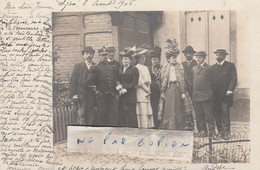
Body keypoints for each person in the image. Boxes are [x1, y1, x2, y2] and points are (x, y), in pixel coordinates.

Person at [158, 39, 193, 130]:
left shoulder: (180, 66)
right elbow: (161, 80)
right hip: (169, 90)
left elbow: (183, 80)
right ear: (168, 58)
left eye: (175, 57)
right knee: (168, 109)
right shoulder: (164, 67)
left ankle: (179, 127)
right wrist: (162, 91)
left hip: (178, 89)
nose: (174, 59)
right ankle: (168, 127)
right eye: (173, 58)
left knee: (178, 108)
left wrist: (183, 92)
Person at [86, 46, 122, 127]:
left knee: (113, 114)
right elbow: (89, 82)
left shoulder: (110, 67)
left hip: (111, 95)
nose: (104, 57)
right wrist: (97, 91)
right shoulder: (95, 67)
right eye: (102, 55)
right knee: (101, 114)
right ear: (99, 56)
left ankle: (112, 131)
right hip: (101, 96)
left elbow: (115, 79)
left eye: (105, 55)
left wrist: (118, 84)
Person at [209, 49, 237, 139]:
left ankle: (226, 132)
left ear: (224, 56)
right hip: (215, 96)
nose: (218, 56)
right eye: (217, 55)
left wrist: (230, 90)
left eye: (220, 55)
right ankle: (220, 132)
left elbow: (233, 79)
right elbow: (209, 81)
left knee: (225, 114)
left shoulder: (230, 66)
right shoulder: (212, 68)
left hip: (225, 95)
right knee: (216, 114)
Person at [69, 46, 96, 125]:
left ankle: (90, 133)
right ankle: (83, 134)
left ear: (93, 55)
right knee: (81, 115)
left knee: (91, 114)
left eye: (90, 54)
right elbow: (73, 81)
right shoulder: (79, 66)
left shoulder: (95, 66)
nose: (89, 56)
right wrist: (74, 94)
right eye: (87, 53)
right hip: (81, 95)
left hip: (92, 95)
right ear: (83, 55)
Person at [192, 51, 216, 137]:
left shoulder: (209, 68)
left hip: (206, 96)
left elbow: (213, 82)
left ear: (204, 58)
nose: (198, 59)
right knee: (199, 115)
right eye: (197, 57)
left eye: (200, 57)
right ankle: (202, 131)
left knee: (209, 115)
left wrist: (210, 93)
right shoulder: (194, 68)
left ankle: (211, 132)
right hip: (196, 96)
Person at [118, 48, 139, 127]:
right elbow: (118, 79)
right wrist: (118, 85)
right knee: (122, 114)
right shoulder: (120, 69)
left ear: (130, 60)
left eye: (126, 59)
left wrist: (126, 89)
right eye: (123, 59)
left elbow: (134, 82)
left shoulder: (134, 69)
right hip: (121, 96)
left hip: (130, 96)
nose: (124, 61)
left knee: (131, 115)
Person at [134, 46, 154, 128]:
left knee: (147, 110)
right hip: (141, 91)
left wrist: (148, 85)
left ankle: (148, 126)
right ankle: (143, 126)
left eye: (144, 57)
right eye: (141, 57)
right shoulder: (136, 68)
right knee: (142, 110)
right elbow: (140, 81)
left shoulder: (146, 68)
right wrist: (147, 90)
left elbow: (149, 79)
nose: (143, 59)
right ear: (138, 59)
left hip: (147, 91)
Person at [148, 46, 162, 129]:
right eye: (152, 60)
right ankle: (154, 125)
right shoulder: (148, 69)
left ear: (159, 60)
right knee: (153, 107)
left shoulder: (163, 68)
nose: (154, 61)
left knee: (160, 108)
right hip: (152, 92)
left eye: (155, 59)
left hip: (160, 90)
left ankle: (160, 124)